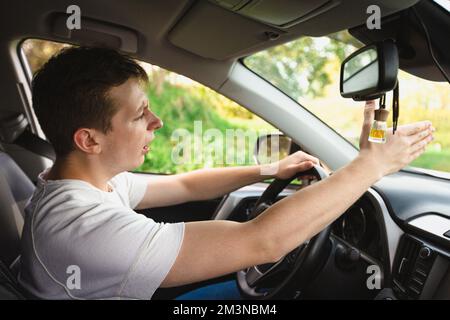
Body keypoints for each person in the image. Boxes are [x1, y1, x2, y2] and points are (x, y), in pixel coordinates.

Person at [18, 47, 434, 300]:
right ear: (90, 140)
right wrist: (371, 165)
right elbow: (264, 241)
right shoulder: (86, 227)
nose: (157, 122)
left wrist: (270, 168)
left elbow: (184, 184)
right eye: (140, 115)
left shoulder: (83, 183)